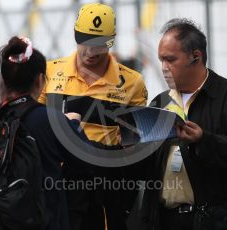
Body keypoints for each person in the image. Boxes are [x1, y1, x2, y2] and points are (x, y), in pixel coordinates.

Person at [127, 18, 227, 230]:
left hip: (216, 221)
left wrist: (203, 140)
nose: (163, 68)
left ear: (195, 57)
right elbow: (146, 171)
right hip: (164, 220)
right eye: (161, 60)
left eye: (170, 60)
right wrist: (128, 146)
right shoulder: (160, 103)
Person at [38, 3, 148, 230]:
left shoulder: (131, 82)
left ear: (112, 40)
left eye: (98, 44)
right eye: (84, 41)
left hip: (106, 182)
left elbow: (135, 141)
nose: (89, 52)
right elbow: (33, 122)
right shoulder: (49, 73)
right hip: (58, 179)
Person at [0, 36, 83, 230]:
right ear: (40, 80)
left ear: (3, 79)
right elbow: (88, 163)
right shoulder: (51, 121)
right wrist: (75, 126)